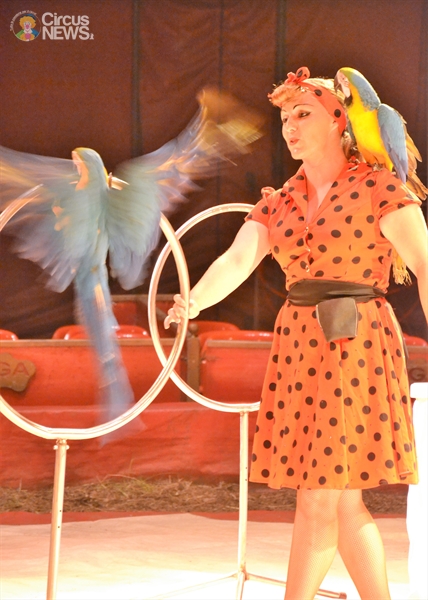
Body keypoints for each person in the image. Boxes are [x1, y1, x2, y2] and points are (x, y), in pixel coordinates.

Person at [164, 67, 428, 600]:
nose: (290, 126)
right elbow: (237, 259)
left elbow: (424, 264)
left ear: (338, 121)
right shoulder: (281, 199)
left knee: (319, 497)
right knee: (341, 501)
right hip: (300, 348)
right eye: (285, 117)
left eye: (303, 114)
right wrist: (194, 300)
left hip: (355, 343)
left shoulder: (379, 187)